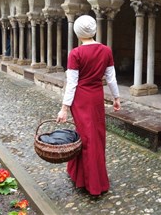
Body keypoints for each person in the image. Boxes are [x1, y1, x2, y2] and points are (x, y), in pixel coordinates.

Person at [56, 15, 121, 196]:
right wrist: (116, 98)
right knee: (96, 137)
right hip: (96, 97)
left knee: (85, 138)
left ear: (77, 32)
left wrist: (64, 108)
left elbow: (72, 83)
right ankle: (89, 178)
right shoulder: (106, 50)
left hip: (81, 100)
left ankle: (89, 181)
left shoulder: (76, 53)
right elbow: (111, 78)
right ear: (94, 31)